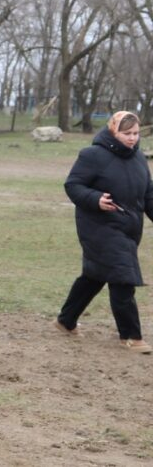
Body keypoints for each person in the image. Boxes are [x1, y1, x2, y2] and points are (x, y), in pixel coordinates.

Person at [56, 111, 153, 353]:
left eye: (136, 133)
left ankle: (65, 321)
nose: (132, 138)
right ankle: (131, 336)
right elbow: (73, 185)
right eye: (126, 133)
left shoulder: (139, 158)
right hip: (98, 226)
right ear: (113, 131)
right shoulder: (93, 155)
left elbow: (148, 195)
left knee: (94, 276)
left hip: (128, 229)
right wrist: (95, 198)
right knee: (123, 276)